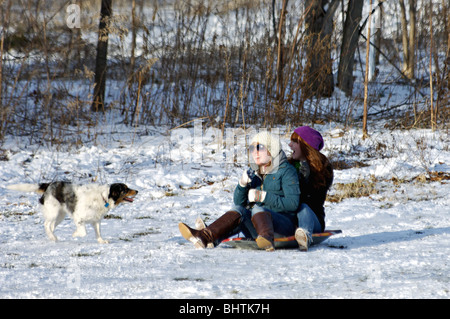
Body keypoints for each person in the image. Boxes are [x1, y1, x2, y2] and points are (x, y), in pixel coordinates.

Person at [179, 131, 300, 251]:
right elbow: (238, 203)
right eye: (252, 148)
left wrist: (264, 197)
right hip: (259, 228)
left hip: (283, 227)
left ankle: (267, 239)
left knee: (258, 208)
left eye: (259, 147)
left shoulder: (286, 171)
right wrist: (242, 185)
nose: (254, 152)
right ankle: (204, 237)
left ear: (271, 149)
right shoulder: (254, 172)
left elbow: (293, 204)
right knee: (240, 210)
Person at [288, 126, 333, 251]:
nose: (290, 145)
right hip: (290, 217)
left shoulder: (323, 169)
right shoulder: (289, 165)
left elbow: (313, 198)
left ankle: (304, 236)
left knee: (303, 208)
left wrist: (305, 177)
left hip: (313, 220)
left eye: (294, 142)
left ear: (305, 145)